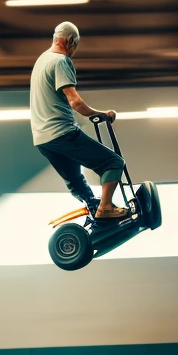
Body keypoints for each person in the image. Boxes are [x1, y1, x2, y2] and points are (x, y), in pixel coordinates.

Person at [30, 20, 127, 219]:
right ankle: (105, 208)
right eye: (75, 45)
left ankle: (95, 209)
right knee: (114, 163)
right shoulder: (61, 61)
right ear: (70, 41)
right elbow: (75, 103)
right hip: (62, 133)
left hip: (42, 140)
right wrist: (100, 114)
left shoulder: (42, 59)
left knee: (75, 180)